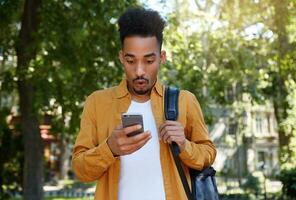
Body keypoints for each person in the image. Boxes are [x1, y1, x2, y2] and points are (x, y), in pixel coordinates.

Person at [72, 7, 216, 200]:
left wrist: (183, 144)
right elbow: (81, 170)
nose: (139, 71)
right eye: (131, 61)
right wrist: (110, 149)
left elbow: (208, 154)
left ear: (161, 57)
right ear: (121, 57)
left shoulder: (185, 101)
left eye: (149, 61)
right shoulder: (97, 102)